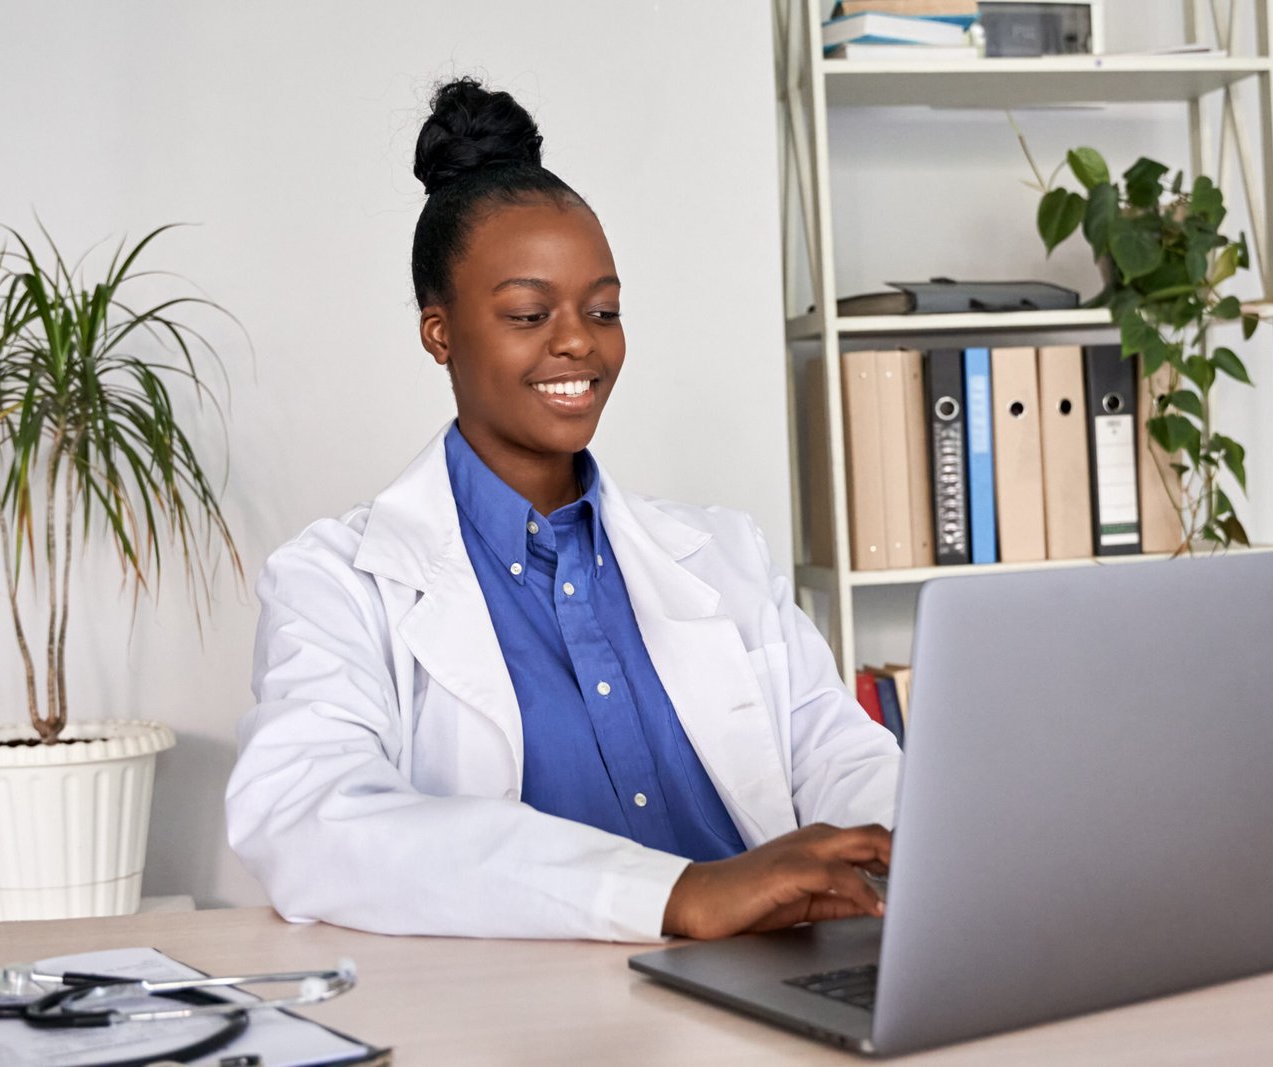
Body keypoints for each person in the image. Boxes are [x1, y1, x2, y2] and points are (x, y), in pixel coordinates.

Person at [226, 76, 901, 943]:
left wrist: (910, 851)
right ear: (440, 332)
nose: (578, 340)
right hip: (533, 1016)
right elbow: (310, 817)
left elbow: (844, 759)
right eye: (528, 312)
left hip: (773, 984)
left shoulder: (723, 553)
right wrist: (677, 893)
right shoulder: (336, 581)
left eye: (603, 309)